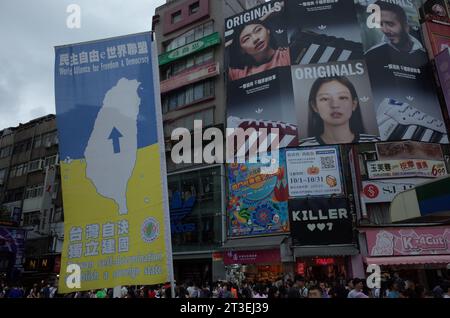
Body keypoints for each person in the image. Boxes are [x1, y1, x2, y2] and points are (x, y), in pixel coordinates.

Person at [300, 76, 379, 146]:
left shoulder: (376, 141)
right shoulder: (302, 145)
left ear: (354, 104)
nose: (335, 105)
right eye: (325, 99)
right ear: (314, 106)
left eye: (342, 98)